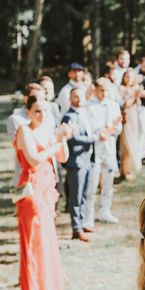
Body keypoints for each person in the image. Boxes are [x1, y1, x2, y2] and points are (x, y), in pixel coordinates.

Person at [15, 96, 71, 290]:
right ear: (28, 111)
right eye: (37, 111)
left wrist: (62, 138)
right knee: (32, 243)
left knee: (46, 242)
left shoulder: (47, 129)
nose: (42, 115)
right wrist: (56, 141)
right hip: (31, 191)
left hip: (47, 190)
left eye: (45, 111)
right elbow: (34, 159)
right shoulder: (24, 131)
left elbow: (63, 157)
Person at [85, 79, 123, 225]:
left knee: (108, 180)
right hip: (94, 148)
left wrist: (112, 129)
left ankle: (105, 211)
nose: (104, 93)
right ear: (95, 89)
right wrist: (99, 132)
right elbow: (88, 126)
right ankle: (89, 216)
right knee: (92, 183)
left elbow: (118, 128)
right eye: (101, 90)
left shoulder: (113, 105)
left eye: (106, 90)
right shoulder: (88, 106)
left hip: (109, 147)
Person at [61, 87, 96, 242]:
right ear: (70, 98)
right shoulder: (68, 117)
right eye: (76, 96)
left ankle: (82, 223)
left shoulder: (85, 113)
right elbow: (73, 138)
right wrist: (93, 138)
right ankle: (76, 228)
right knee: (75, 196)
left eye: (81, 96)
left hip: (87, 159)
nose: (79, 99)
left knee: (83, 195)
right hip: (75, 161)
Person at [119, 69, 143, 179]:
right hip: (126, 118)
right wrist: (135, 94)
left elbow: (138, 103)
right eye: (127, 76)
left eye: (132, 77)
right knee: (126, 145)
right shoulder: (121, 89)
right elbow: (125, 105)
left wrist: (137, 96)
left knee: (133, 143)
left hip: (134, 118)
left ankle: (128, 169)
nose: (129, 79)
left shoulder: (133, 89)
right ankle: (124, 171)